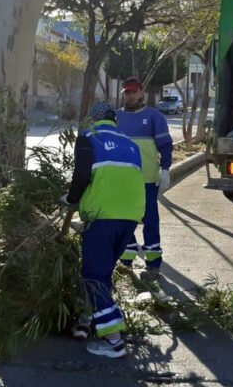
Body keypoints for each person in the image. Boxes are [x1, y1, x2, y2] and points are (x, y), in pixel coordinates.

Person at [61, 101, 146, 358]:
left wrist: (71, 199)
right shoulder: (131, 144)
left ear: (92, 120)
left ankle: (113, 341)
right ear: (115, 121)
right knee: (102, 273)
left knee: (94, 277)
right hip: (130, 218)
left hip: (102, 217)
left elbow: (81, 175)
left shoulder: (89, 137)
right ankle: (88, 320)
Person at [115, 77, 173, 280]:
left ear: (141, 93)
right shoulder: (116, 118)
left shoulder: (154, 117)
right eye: (126, 93)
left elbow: (165, 146)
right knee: (123, 220)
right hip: (121, 181)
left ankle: (153, 265)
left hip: (146, 180)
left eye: (133, 92)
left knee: (150, 221)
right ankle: (126, 260)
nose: (130, 96)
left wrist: (165, 169)